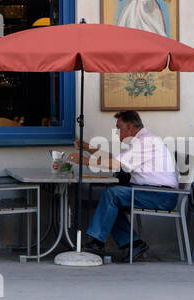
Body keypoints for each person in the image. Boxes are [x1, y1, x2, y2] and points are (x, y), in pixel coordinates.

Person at [73, 111, 177, 262]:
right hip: (153, 192)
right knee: (111, 203)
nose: (116, 132)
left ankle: (96, 243)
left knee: (113, 194)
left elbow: (116, 164)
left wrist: (86, 161)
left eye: (118, 128)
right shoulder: (139, 141)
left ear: (129, 126)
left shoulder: (145, 142)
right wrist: (88, 148)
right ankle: (134, 244)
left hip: (161, 195)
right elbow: (116, 159)